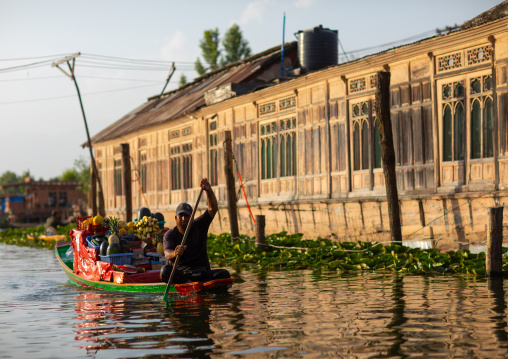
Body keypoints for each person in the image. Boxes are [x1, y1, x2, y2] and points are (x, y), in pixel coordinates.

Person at [160, 178, 231, 284]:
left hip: (203, 273)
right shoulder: (170, 234)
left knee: (225, 274)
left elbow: (213, 209)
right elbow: (167, 253)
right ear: (176, 218)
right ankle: (189, 284)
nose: (184, 219)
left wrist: (209, 191)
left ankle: (199, 285)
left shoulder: (199, 225)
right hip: (183, 275)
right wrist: (175, 253)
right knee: (165, 270)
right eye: (181, 216)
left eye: (187, 216)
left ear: (192, 217)